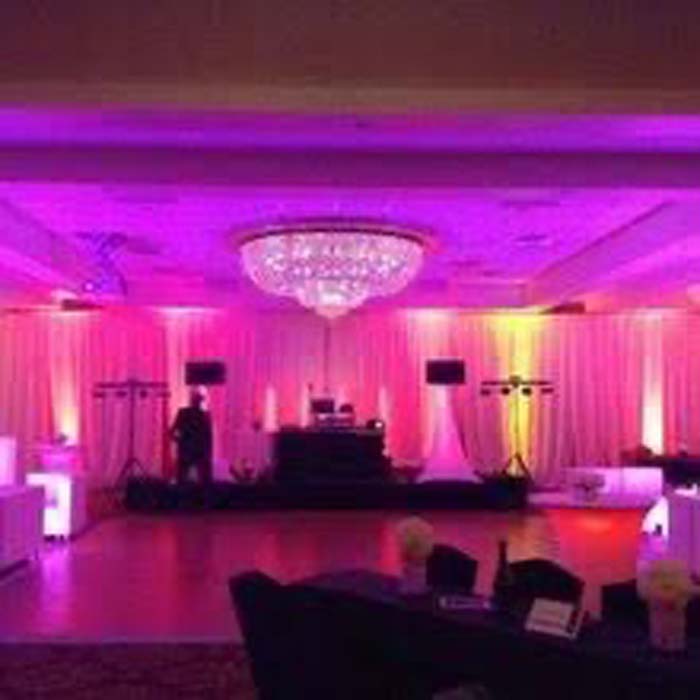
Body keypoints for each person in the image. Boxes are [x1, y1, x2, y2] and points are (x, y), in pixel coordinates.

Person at [170, 389, 213, 485]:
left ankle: (186, 492)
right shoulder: (185, 413)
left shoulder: (203, 415)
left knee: (199, 479)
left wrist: (178, 440)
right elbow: (172, 430)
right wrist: (178, 440)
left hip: (196, 450)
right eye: (196, 399)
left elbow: (208, 437)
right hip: (190, 450)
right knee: (183, 477)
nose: (197, 402)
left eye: (198, 399)